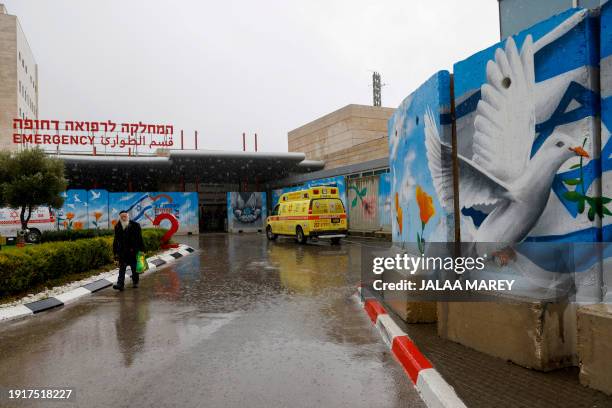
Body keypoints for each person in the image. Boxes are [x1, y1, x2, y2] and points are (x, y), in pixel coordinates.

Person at [112, 210, 144, 291]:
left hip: (133, 251)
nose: (123, 218)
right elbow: (116, 240)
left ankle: (135, 282)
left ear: (128, 216)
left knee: (134, 268)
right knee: (122, 268)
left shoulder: (135, 225)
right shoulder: (117, 226)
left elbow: (140, 239)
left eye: (125, 216)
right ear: (120, 217)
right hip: (122, 252)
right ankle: (120, 284)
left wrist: (142, 250)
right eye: (122, 216)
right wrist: (115, 252)